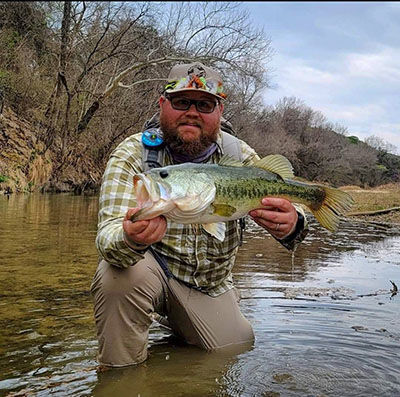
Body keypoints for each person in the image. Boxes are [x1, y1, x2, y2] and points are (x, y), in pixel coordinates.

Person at [91, 62, 308, 368]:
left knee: (234, 349)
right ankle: (119, 375)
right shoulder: (131, 155)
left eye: (205, 104)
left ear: (220, 111)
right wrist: (129, 238)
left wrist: (292, 224)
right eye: (181, 101)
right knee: (117, 277)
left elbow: (291, 211)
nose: (192, 112)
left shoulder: (240, 157)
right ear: (163, 104)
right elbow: (107, 237)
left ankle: (181, 329)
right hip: (149, 275)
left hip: (209, 284)